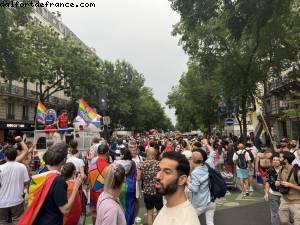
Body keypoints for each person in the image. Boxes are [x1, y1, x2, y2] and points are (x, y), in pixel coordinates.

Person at [18, 143, 83, 225]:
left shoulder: (38, 174)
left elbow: (28, 197)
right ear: (63, 160)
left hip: (36, 220)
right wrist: (76, 187)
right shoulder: (58, 181)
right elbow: (65, 210)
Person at [153, 151, 200, 225]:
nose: (158, 176)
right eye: (159, 170)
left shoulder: (187, 221)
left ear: (182, 180)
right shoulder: (169, 206)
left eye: (167, 172)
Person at [0, 147, 30, 225]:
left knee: (2, 222)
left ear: (5, 157)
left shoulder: (0, 168)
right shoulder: (22, 167)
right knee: (18, 221)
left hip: (2, 201)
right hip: (17, 200)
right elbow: (26, 182)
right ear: (16, 155)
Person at [188, 148, 216, 225]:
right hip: (211, 200)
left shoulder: (195, 173)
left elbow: (195, 189)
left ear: (192, 160)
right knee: (210, 222)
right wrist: (207, 144)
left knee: (191, 221)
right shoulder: (209, 164)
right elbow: (212, 153)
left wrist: (187, 183)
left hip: (199, 203)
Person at [137, 147, 163, 225]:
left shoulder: (142, 164)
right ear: (154, 154)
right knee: (159, 211)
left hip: (147, 191)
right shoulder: (159, 164)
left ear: (147, 153)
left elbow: (138, 178)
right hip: (157, 190)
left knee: (149, 212)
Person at [88, 144, 110, 225]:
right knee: (105, 217)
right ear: (107, 153)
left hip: (93, 195)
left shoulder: (91, 166)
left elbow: (88, 182)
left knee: (94, 215)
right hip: (104, 196)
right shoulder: (109, 168)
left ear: (97, 153)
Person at [276, 151, 300, 225]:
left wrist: (290, 185)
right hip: (284, 200)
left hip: (297, 201)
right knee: (283, 221)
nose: (278, 159)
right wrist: (277, 182)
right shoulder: (281, 169)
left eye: (280, 157)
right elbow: (278, 179)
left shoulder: (298, 172)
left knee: (297, 223)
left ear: (285, 160)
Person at [116, 149, 138, 225]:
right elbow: (135, 176)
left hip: (120, 186)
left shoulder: (117, 163)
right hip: (131, 186)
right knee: (130, 207)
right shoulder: (132, 163)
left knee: (120, 206)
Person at [264, 153, 282, 225]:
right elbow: (267, 182)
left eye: (277, 160)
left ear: (280, 161)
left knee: (285, 212)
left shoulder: (285, 169)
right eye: (274, 160)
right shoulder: (270, 170)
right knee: (274, 213)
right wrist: (266, 193)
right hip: (273, 193)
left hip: (284, 195)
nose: (275, 161)